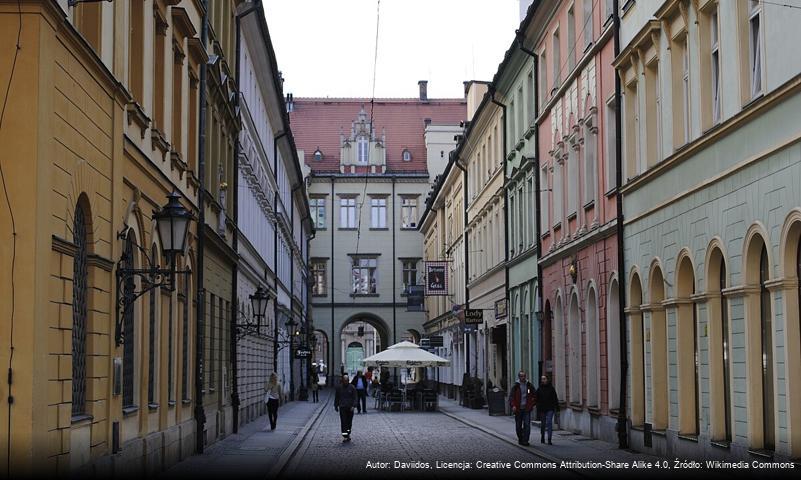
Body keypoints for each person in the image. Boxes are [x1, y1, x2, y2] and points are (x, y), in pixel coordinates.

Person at [509, 371, 537, 446]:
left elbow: (533, 395)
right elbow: (511, 397)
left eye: (524, 376)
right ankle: (520, 438)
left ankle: (525, 440)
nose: (523, 377)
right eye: (521, 376)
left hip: (526, 409)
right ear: (519, 377)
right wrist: (513, 406)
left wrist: (532, 403)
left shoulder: (529, 386)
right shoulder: (516, 386)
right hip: (518, 409)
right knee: (518, 426)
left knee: (527, 425)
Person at [536, 374, 559, 445]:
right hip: (542, 409)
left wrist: (557, 408)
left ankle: (549, 439)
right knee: (543, 424)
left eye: (544, 379)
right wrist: (538, 406)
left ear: (547, 380)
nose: (543, 380)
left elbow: (555, 399)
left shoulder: (551, 389)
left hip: (550, 408)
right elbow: (536, 399)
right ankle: (542, 436)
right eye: (542, 379)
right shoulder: (539, 389)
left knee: (549, 423)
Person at [335, 374, 358, 441]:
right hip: (342, 407)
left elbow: (355, 397)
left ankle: (348, 433)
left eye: (346, 380)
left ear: (348, 380)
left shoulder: (352, 388)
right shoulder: (339, 388)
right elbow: (337, 397)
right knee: (343, 422)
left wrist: (354, 405)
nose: (345, 382)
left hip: (350, 408)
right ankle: (345, 435)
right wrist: (336, 405)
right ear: (342, 380)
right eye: (344, 380)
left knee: (349, 422)